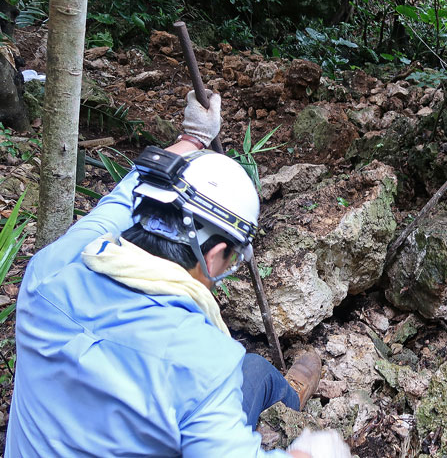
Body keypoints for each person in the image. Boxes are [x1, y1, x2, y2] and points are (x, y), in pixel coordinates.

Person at [5, 90, 350, 458]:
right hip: (199, 408)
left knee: (254, 371)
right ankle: (290, 398)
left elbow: (120, 201)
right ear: (215, 255)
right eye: (231, 261)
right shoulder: (202, 366)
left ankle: (285, 393)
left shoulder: (51, 269)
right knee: (254, 375)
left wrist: (192, 139)